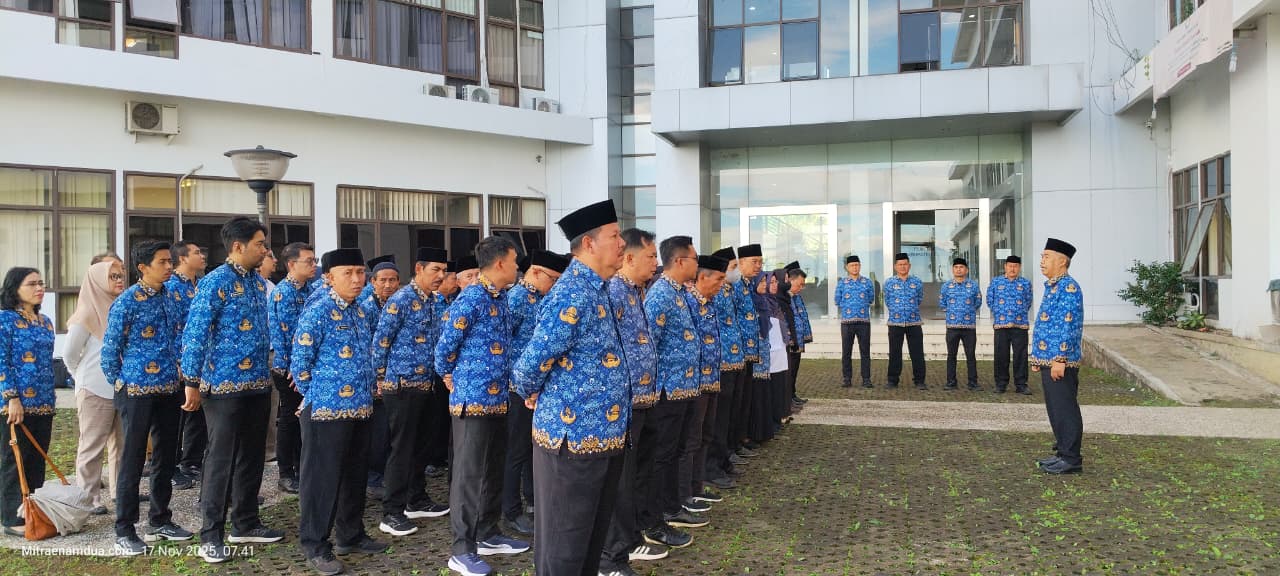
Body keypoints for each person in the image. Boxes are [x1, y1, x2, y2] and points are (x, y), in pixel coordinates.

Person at [512, 199, 629, 576]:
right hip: (572, 440)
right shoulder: (572, 293)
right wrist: (531, 391)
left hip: (604, 436)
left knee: (589, 545)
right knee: (565, 546)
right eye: (614, 236)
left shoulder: (600, 289)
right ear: (590, 244)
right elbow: (531, 364)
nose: (623, 243)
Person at [180, 217, 285, 563]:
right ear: (237, 246)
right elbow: (194, 335)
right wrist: (192, 383)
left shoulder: (258, 283)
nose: (266, 250)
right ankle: (211, 534)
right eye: (259, 244)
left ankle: (246, 521)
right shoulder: (214, 283)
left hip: (257, 383)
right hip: (223, 387)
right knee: (221, 459)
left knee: (253, 456)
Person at [291, 248, 389, 575]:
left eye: (361, 272)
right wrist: (318, 396)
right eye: (349, 273)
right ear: (329, 277)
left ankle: (351, 534)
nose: (357, 279)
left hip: (361, 407)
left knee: (354, 475)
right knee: (322, 480)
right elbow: (300, 365)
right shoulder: (317, 311)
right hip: (326, 411)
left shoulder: (359, 311)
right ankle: (316, 544)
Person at [434, 236, 528, 576]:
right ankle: (462, 548)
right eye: (515, 260)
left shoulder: (500, 298)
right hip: (472, 401)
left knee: (493, 469)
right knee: (468, 475)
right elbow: (444, 348)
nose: (519, 266)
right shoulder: (471, 298)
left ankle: (488, 532)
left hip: (498, 399)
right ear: (500, 262)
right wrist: (448, 375)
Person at [102, 241, 194, 554]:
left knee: (166, 458)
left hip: (169, 389)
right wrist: (121, 383)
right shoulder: (127, 302)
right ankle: (125, 529)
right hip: (136, 392)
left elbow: (181, 335)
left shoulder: (172, 297)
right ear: (143, 267)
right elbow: (110, 351)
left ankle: (160, 519)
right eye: (163, 262)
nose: (170, 266)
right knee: (133, 460)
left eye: (170, 261)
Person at [600, 227, 672, 576]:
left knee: (640, 473)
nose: (655, 264)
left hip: (646, 398)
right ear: (628, 257)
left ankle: (632, 536)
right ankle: (614, 550)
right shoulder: (613, 292)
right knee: (622, 479)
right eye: (650, 257)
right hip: (624, 403)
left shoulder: (634, 292)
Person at [373, 247, 452, 539]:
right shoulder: (402, 299)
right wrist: (379, 378)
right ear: (418, 270)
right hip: (402, 386)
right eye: (435, 270)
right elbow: (381, 342)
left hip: (427, 384)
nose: (441, 276)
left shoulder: (433, 301)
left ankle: (416, 499)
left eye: (444, 271)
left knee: (423, 447)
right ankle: (391, 512)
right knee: (401, 449)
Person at [642, 235, 709, 538]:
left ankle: (671, 506)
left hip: (685, 388)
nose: (697, 263)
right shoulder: (660, 295)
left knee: (676, 450)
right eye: (695, 258)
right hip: (668, 391)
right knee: (663, 455)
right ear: (680, 261)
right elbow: (649, 346)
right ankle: (660, 513)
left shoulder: (680, 293)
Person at [501, 249, 569, 537]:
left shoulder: (543, 298)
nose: (554, 284)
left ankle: (532, 501)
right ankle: (510, 509)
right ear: (536, 272)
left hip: (537, 389)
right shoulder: (516, 298)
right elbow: (502, 342)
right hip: (517, 387)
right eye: (552, 278)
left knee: (533, 448)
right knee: (515, 451)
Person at [63, 260, 125, 515]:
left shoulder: (122, 309)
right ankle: (89, 497)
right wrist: (82, 377)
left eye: (121, 276)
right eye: (112, 277)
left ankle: (120, 492)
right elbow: (69, 355)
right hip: (94, 390)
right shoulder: (85, 314)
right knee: (91, 446)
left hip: (122, 388)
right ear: (98, 280)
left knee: (122, 445)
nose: (119, 280)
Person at [0, 267, 57, 538]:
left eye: (41, 283)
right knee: (15, 460)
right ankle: (12, 517)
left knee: (37, 460)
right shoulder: (5, 320)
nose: (39, 288)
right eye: (31, 284)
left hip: (44, 402)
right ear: (15, 289)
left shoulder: (44, 321)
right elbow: (2, 361)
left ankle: (34, 511)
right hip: (15, 404)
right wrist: (11, 397)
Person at [1032, 239, 1085, 475]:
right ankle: (1062, 451)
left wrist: (1060, 358)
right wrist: (1038, 357)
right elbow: (1046, 323)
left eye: (1047, 257)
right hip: (1048, 358)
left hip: (1060, 361)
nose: (1042, 261)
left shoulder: (1068, 288)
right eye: (1042, 257)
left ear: (1062, 262)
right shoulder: (1053, 286)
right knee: (1055, 408)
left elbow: (1067, 325)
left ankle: (1071, 458)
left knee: (1064, 408)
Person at [267, 242, 317, 494]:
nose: (313, 265)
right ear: (291, 265)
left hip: (306, 367)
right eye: (308, 261)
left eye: (314, 260)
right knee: (288, 418)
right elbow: (286, 336)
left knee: (303, 419)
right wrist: (294, 369)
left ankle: (301, 467)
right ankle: (286, 472)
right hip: (287, 367)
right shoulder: (283, 293)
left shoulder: (311, 289)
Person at [682, 256, 727, 522]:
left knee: (704, 435)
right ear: (702, 277)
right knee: (690, 439)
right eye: (718, 279)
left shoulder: (708, 303)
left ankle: (697, 486)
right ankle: (685, 493)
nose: (722, 284)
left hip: (711, 379)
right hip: (693, 382)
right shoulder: (688, 303)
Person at [168, 239, 207, 490]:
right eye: (196, 252)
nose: (202, 256)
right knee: (177, 416)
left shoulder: (201, 285)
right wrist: (178, 360)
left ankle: (191, 460)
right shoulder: (172, 287)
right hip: (180, 362)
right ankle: (172, 466)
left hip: (201, 360)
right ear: (182, 258)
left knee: (197, 413)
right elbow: (170, 327)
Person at [360, 255, 399, 499]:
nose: (388, 285)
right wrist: (376, 378)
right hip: (374, 378)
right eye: (383, 280)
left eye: (393, 280)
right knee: (376, 432)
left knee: (390, 431)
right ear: (373, 282)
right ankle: (373, 478)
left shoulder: (399, 304)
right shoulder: (366, 308)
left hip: (396, 378)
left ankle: (387, 474)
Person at [705, 247, 743, 491]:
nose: (735, 271)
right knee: (715, 421)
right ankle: (712, 467)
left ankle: (723, 459)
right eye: (732, 267)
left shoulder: (726, 290)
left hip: (733, 357)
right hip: (718, 362)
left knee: (727, 416)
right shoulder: (711, 292)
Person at [731, 245, 763, 460]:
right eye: (754, 261)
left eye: (761, 262)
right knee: (735, 402)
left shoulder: (747, 285)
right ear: (741, 263)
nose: (758, 266)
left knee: (744, 399)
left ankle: (740, 439)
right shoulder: (733, 286)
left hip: (749, 350)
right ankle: (733, 444)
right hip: (737, 351)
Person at [988, 256, 1034, 395]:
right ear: (1005, 267)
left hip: (1020, 325)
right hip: (1001, 326)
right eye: (1010, 266)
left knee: (1021, 356)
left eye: (1015, 266)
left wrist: (1017, 314)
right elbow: (990, 300)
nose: (1012, 268)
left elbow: (1028, 301)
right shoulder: (996, 282)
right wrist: (1000, 314)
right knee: (1001, 356)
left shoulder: (1025, 283)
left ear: (1019, 267)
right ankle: (1000, 384)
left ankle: (1021, 384)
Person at [940, 257, 982, 391]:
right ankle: (951, 382)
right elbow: (942, 303)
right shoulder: (946, 286)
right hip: (952, 326)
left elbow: (978, 302)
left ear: (966, 270)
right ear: (953, 270)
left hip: (969, 326)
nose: (959, 269)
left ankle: (973, 383)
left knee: (971, 355)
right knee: (951, 355)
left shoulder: (973, 285)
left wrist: (966, 311)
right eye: (956, 267)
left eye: (961, 267)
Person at [884, 253, 926, 389]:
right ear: (896, 266)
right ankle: (892, 380)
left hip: (913, 322)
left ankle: (919, 381)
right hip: (895, 323)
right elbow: (888, 301)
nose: (903, 267)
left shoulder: (917, 282)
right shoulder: (889, 283)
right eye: (900, 264)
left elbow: (919, 299)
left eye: (905, 264)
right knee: (895, 352)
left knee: (917, 353)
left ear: (909, 266)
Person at [835, 256, 875, 388]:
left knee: (865, 352)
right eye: (852, 265)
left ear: (860, 266)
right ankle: (847, 378)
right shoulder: (842, 283)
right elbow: (837, 300)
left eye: (857, 265)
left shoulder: (867, 282)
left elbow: (870, 298)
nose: (855, 267)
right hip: (847, 322)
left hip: (863, 322)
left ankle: (866, 379)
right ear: (847, 267)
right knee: (846, 352)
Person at [783, 263, 811, 408]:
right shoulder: (784, 298)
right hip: (790, 341)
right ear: (790, 281)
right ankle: (787, 398)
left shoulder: (796, 297)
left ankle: (792, 394)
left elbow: (802, 316)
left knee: (794, 370)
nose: (802, 288)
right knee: (789, 371)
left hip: (798, 339)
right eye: (800, 284)